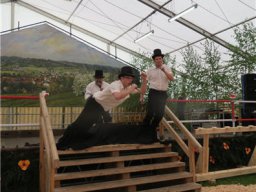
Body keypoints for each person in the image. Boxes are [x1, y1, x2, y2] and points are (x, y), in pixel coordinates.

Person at [57, 66, 147, 150]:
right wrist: (131, 89)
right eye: (127, 78)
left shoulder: (128, 88)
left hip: (101, 108)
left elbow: (142, 91)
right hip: (94, 103)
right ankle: (61, 144)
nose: (130, 80)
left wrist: (144, 80)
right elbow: (117, 96)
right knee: (80, 124)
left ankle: (75, 143)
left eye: (131, 78)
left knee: (86, 126)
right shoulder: (115, 85)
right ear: (121, 78)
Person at [140, 49, 174, 141]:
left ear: (162, 59)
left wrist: (164, 71)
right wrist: (142, 95)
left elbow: (172, 78)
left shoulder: (167, 68)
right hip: (153, 92)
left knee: (160, 114)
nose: (158, 60)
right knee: (150, 113)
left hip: (163, 93)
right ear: (154, 60)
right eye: (156, 59)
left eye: (160, 58)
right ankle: (143, 131)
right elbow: (144, 83)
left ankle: (150, 130)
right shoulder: (150, 70)